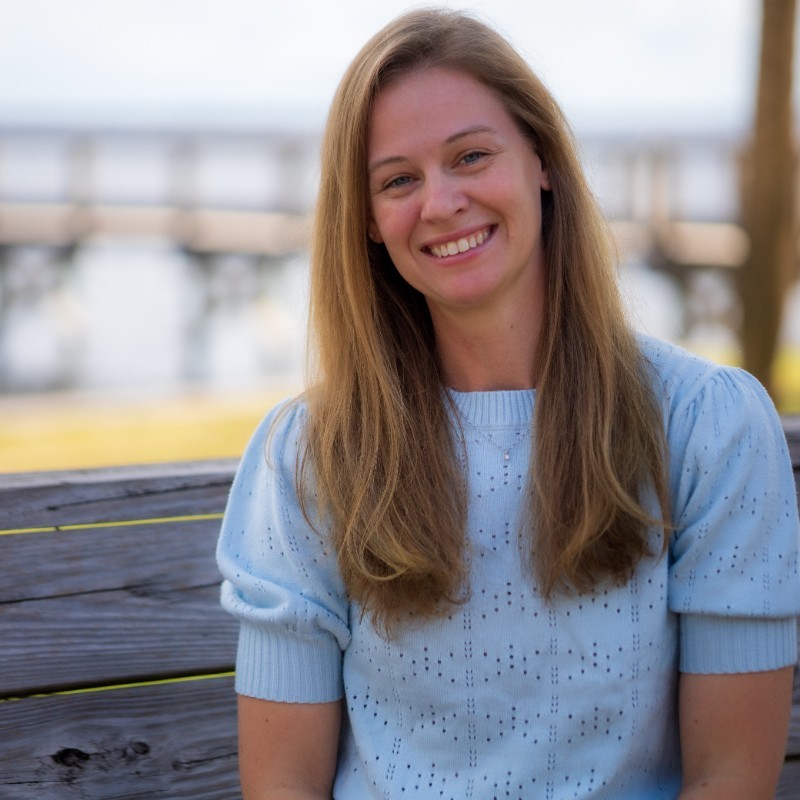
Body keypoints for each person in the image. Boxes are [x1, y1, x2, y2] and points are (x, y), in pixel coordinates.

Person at [216, 9, 800, 799]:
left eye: (472, 156)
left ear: (543, 162)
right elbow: (283, 784)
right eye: (398, 180)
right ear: (368, 223)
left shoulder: (708, 427)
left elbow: (731, 777)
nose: (442, 201)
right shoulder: (312, 456)